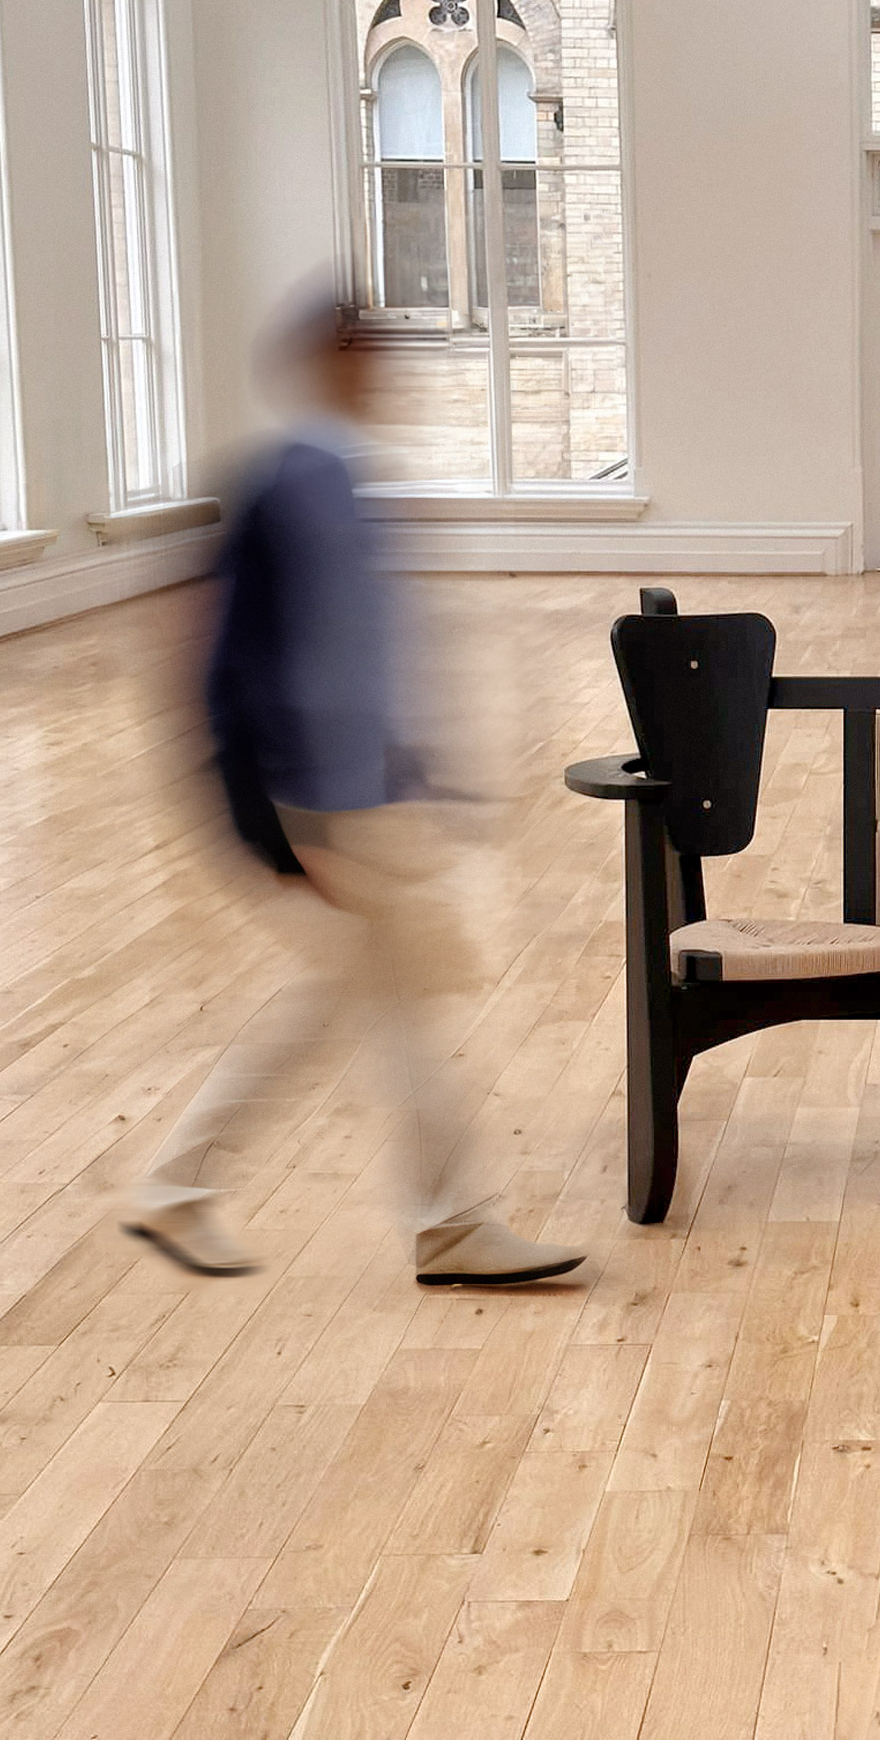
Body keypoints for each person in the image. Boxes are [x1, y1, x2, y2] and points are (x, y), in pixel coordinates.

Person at [121, 295, 584, 1288]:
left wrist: (424, 772)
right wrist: (277, 833)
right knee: (389, 1004)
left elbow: (365, 659)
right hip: (322, 809)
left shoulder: (354, 484)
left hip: (365, 797)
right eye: (364, 352)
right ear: (322, 364)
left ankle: (180, 1188)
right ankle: (447, 1223)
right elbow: (223, 672)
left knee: (358, 1001)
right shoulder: (282, 487)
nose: (384, 368)